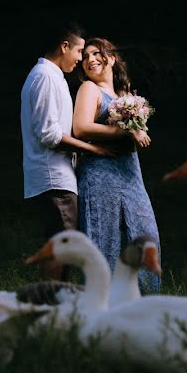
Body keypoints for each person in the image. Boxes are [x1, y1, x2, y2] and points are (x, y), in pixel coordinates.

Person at [20, 21, 114, 281]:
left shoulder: (52, 76)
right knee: (63, 248)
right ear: (64, 46)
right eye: (79, 52)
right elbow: (49, 135)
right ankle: (45, 306)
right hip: (53, 177)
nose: (80, 59)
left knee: (63, 246)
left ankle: (51, 305)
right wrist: (92, 149)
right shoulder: (45, 77)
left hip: (58, 175)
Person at [72, 37, 161, 294]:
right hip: (101, 174)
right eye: (86, 56)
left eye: (96, 53)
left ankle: (143, 299)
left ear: (111, 58)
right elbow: (80, 128)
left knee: (143, 233)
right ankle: (101, 305)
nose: (90, 59)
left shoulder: (124, 94)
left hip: (131, 175)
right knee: (105, 238)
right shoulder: (89, 89)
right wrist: (124, 130)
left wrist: (134, 124)